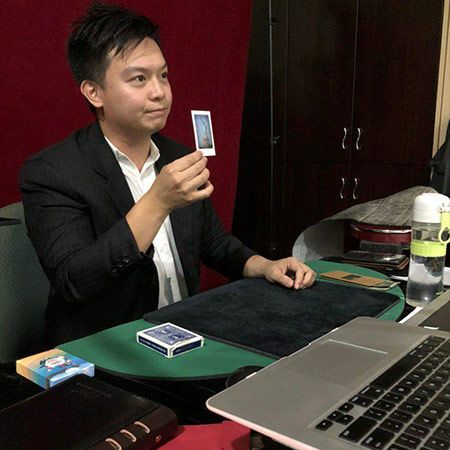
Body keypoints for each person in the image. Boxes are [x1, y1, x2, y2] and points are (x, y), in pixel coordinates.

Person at [20, 2, 315, 346]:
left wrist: (263, 265)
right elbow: (74, 281)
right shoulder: (53, 171)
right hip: (106, 348)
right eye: (139, 79)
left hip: (186, 333)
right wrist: (157, 202)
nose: (159, 92)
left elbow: (214, 243)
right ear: (94, 92)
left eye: (163, 76)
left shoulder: (177, 157)